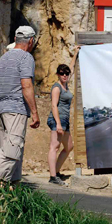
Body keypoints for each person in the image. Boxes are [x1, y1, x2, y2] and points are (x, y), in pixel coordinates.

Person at [0, 26, 40, 196]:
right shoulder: (26, 57)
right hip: (16, 109)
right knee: (12, 149)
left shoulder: (3, 58)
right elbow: (26, 84)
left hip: (1, 109)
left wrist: (7, 85)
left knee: (10, 148)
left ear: (16, 39)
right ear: (30, 41)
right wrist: (35, 112)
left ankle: (12, 189)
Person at [47, 46, 80, 185]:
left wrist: (76, 53)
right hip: (57, 120)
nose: (65, 75)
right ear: (58, 74)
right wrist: (58, 124)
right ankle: (53, 177)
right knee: (54, 146)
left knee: (69, 147)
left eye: (66, 73)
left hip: (65, 120)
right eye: (62, 73)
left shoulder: (66, 84)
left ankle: (56, 171)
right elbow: (54, 106)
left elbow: (71, 68)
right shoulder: (57, 87)